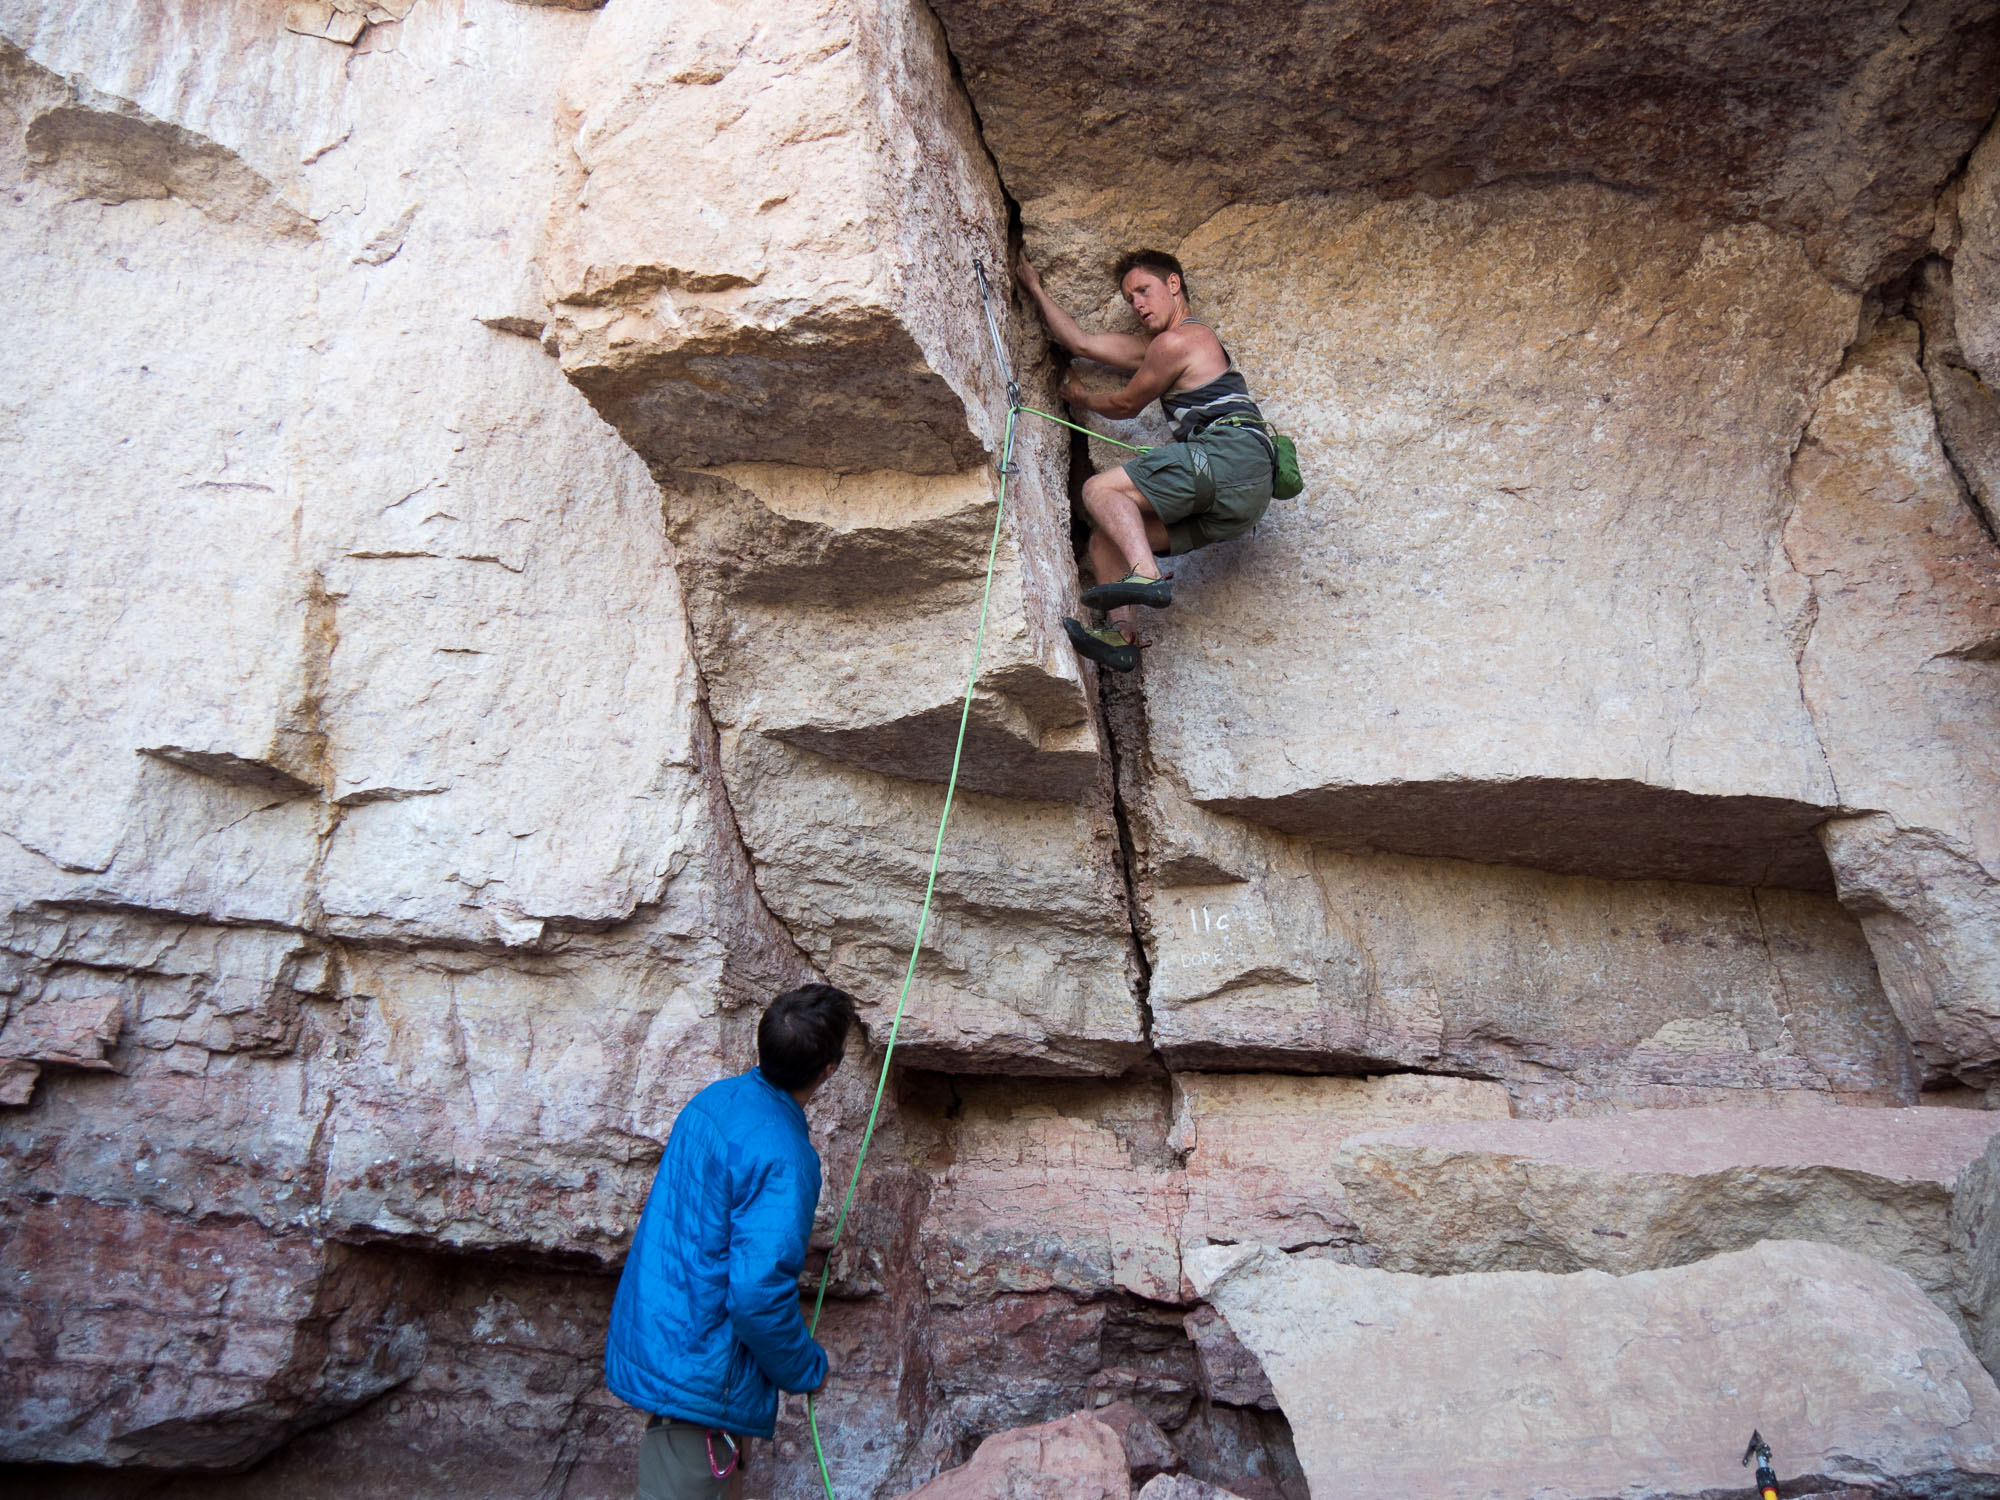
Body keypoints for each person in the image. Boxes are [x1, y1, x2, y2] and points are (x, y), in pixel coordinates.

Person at [606, 983, 859, 1500]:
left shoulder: (713, 1102)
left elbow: (706, 1221)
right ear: (828, 1070)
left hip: (670, 1339)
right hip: (700, 1376)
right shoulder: (787, 1155)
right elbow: (755, 1297)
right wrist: (806, 1368)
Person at [1017, 249, 1277, 672]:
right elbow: (1079, 342)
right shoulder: (1159, 348)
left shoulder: (1181, 341)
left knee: (1099, 490)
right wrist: (1035, 288)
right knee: (1107, 539)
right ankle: (1122, 637)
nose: (1137, 303)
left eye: (1144, 290)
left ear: (1173, 285)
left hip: (1229, 457)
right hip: (1239, 503)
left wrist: (1083, 399)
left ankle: (1147, 575)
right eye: (1129, 298)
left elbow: (1125, 403)